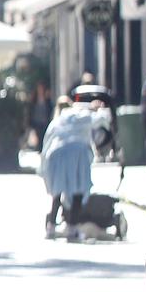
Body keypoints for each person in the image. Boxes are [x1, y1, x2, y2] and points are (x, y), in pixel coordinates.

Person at [39, 96, 96, 238]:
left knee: (57, 192)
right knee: (78, 189)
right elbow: (97, 120)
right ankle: (72, 226)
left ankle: (51, 225)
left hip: (57, 154)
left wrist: (44, 168)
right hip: (78, 153)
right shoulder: (79, 117)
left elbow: (46, 145)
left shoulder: (56, 122)